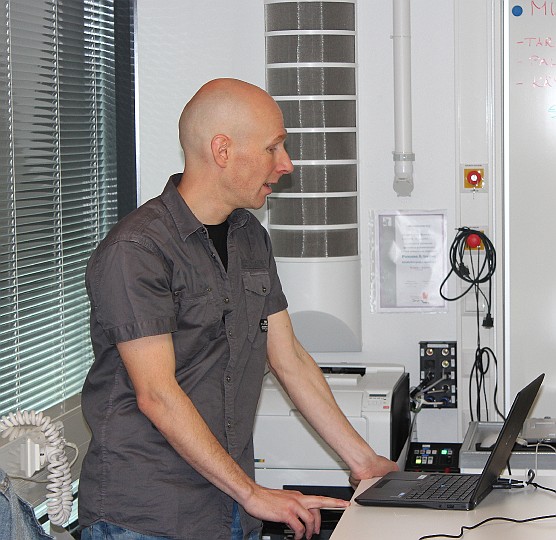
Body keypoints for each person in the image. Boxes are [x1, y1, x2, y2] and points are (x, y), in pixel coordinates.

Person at [78, 78, 398, 540]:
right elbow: (157, 394)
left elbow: (289, 359)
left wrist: (365, 462)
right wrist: (252, 493)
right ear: (222, 150)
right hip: (146, 517)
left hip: (228, 508)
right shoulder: (136, 250)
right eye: (273, 148)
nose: (286, 164)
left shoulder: (249, 236)